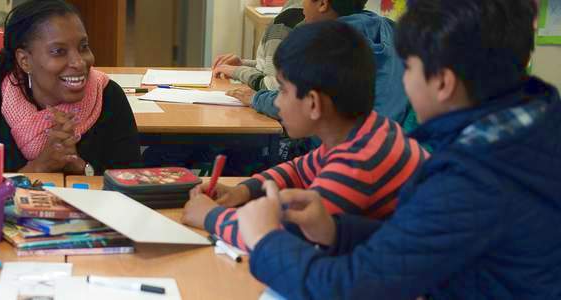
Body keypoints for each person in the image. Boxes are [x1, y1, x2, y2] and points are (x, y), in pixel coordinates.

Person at [227, 0, 561, 298]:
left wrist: (265, 237)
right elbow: (425, 239)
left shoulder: (470, 178)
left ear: (442, 83)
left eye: (409, 68)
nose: (402, 81)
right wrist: (336, 230)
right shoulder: (533, 124)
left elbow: (344, 287)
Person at [182, 20, 427, 237]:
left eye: (283, 90)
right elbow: (298, 170)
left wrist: (210, 217)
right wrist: (242, 191)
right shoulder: (365, 130)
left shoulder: (357, 162)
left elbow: (285, 238)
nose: (277, 101)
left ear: (313, 103)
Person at [0, 0, 141, 175]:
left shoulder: (107, 95)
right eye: (58, 51)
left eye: (83, 47)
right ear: (25, 61)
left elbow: (131, 181)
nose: (79, 62)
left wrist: (79, 167)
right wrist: (38, 167)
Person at [246, 0, 416, 133]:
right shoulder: (389, 28)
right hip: (394, 142)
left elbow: (297, 102)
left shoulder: (326, 44)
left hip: (344, 149)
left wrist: (254, 98)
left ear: (322, 4)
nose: (301, 5)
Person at [213, 0, 304, 97]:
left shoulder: (285, 23)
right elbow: (278, 69)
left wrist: (237, 72)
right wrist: (243, 64)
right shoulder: (299, 14)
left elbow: (272, 87)